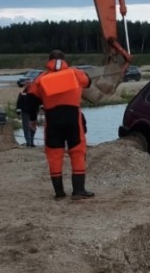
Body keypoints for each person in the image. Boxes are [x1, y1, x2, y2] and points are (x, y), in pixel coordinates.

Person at [26, 49, 94, 200]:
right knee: (77, 151)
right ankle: (78, 190)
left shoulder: (41, 78)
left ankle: (59, 193)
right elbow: (88, 82)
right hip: (72, 119)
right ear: (64, 60)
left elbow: (31, 100)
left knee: (54, 154)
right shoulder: (75, 73)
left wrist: (32, 119)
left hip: (53, 120)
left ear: (49, 60)